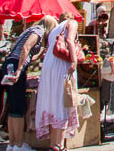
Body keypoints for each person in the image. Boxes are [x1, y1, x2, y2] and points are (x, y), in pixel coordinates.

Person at [0, 16, 57, 151]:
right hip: (16, 66)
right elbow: (25, 48)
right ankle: (19, 144)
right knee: (19, 108)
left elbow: (25, 53)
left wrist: (38, 55)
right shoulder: (38, 31)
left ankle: (12, 143)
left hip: (9, 64)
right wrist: (20, 70)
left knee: (13, 107)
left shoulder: (29, 30)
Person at [36, 16, 81, 148]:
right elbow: (69, 40)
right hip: (60, 65)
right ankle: (59, 145)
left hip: (49, 67)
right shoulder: (71, 23)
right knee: (63, 102)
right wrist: (74, 61)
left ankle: (53, 144)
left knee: (53, 104)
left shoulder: (55, 30)